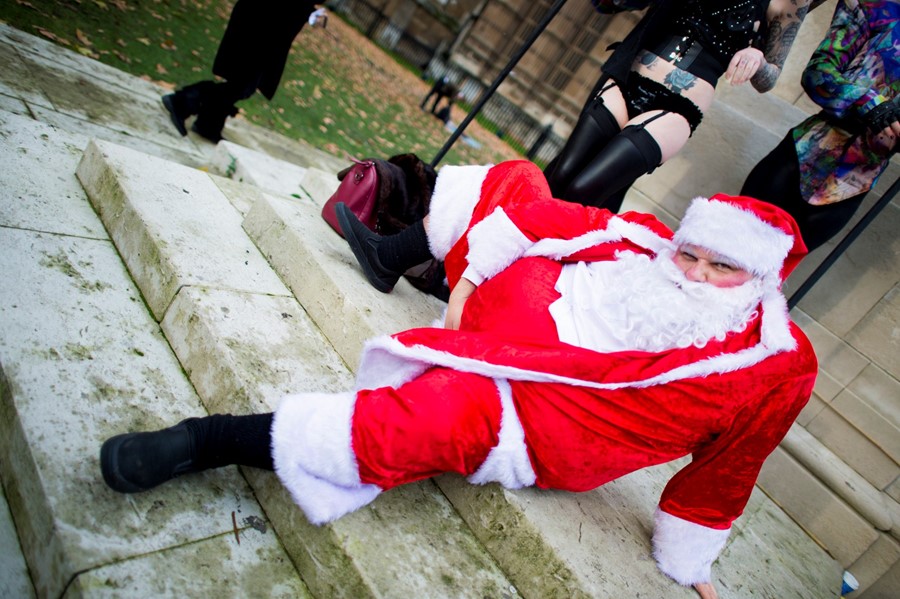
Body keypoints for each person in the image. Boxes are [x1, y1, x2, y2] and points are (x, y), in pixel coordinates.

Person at [100, 161, 816, 599]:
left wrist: (687, 555)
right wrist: (471, 280)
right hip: (498, 313)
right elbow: (540, 216)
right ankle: (392, 254)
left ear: (759, 279)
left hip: (535, 410)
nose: (695, 274)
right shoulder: (643, 240)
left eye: (720, 268)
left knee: (423, 418)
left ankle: (208, 439)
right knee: (520, 183)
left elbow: (731, 465)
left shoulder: (773, 363)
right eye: (691, 255)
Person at [543, 0, 813, 213]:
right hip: (627, 78)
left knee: (583, 190)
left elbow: (770, 77)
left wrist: (758, 57)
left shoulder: (791, 1)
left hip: (676, 108)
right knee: (557, 178)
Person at [741, 0, 898, 251]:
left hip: (852, 184)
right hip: (803, 156)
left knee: (766, 278)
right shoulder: (878, 7)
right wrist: (871, 103)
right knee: (721, 246)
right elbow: (819, 73)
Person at [161, 0, 317, 143]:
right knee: (244, 85)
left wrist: (310, 13)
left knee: (242, 82)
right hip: (263, 23)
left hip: (268, 22)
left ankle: (208, 125)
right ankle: (183, 101)